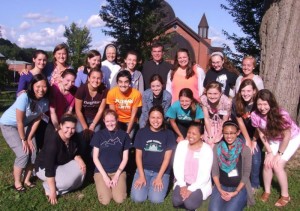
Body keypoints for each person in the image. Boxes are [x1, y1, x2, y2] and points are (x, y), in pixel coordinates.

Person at [0, 74, 49, 192]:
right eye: (38, 86)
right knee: (23, 153)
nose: (41, 89)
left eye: (44, 86)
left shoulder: (45, 101)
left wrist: (30, 137)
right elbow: (19, 121)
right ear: (32, 86)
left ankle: (27, 179)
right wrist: (23, 140)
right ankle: (17, 182)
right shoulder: (24, 97)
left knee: (33, 152)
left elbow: (37, 119)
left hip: (26, 125)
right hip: (10, 124)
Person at [251, 89, 300, 207]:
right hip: (273, 139)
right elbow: (261, 134)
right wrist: (269, 151)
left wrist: (279, 153)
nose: (262, 107)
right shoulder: (254, 115)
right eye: (259, 104)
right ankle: (267, 191)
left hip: (291, 138)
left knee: (277, 165)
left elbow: (287, 135)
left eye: (265, 104)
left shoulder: (281, 115)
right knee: (267, 163)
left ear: (271, 103)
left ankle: (285, 195)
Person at [35, 114, 86, 205]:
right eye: (67, 127)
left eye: (73, 128)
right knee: (67, 182)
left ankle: (63, 186)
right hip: (44, 168)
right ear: (61, 126)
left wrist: (78, 157)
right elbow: (49, 168)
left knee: (82, 170)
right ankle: (48, 187)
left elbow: (73, 152)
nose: (70, 131)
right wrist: (53, 192)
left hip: (61, 164)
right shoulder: (53, 142)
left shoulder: (73, 137)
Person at [131, 106, 176, 203]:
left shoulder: (169, 134)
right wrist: (141, 176)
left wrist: (159, 177)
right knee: (138, 199)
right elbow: (138, 156)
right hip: (143, 170)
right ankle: (146, 184)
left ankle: (152, 185)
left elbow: (167, 159)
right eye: (153, 117)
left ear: (163, 118)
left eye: (158, 117)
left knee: (156, 200)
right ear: (148, 118)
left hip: (161, 172)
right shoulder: (141, 132)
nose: (156, 120)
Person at [208, 121, 254, 211]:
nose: (229, 136)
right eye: (226, 133)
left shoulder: (245, 149)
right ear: (222, 133)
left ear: (238, 133)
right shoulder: (217, 148)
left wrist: (235, 192)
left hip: (239, 187)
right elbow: (215, 171)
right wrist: (220, 189)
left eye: (232, 133)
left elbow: (246, 174)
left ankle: (241, 198)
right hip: (221, 185)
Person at [90, 109, 131, 205]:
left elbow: (125, 158)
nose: (110, 124)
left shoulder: (124, 135)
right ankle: (104, 185)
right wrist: (105, 176)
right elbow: (95, 158)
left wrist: (117, 176)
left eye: (113, 121)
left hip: (118, 171)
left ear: (117, 120)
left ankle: (116, 186)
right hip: (101, 171)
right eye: (107, 121)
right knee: (105, 200)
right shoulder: (98, 135)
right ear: (104, 121)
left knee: (120, 199)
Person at [172, 123, 213, 210]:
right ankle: (186, 197)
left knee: (189, 205)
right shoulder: (182, 145)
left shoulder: (207, 150)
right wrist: (182, 185)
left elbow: (205, 175)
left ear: (201, 136)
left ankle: (193, 198)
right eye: (189, 132)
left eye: (194, 134)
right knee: (176, 201)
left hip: (199, 184)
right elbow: (177, 166)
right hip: (183, 181)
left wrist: (190, 189)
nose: (190, 136)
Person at [232, 79, 262, 191]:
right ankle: (240, 178)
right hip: (243, 132)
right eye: (243, 91)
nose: (246, 94)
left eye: (249, 91)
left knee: (255, 155)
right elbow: (240, 122)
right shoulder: (236, 102)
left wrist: (253, 140)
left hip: (257, 133)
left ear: (254, 91)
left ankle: (255, 184)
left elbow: (259, 124)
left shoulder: (258, 103)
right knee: (243, 151)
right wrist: (248, 140)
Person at [75, 68, 108, 166]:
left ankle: (93, 163)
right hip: (82, 117)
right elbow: (78, 110)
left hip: (95, 118)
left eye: (99, 78)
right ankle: (81, 161)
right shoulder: (82, 89)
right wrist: (85, 127)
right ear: (88, 78)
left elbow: (101, 110)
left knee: (95, 139)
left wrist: (93, 125)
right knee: (83, 138)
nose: (96, 80)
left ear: (102, 79)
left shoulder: (104, 90)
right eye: (93, 77)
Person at [106, 70, 142, 138]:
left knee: (128, 139)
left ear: (130, 83)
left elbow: (133, 115)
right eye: (120, 82)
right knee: (116, 138)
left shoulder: (136, 94)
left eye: (126, 82)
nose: (123, 85)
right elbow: (113, 114)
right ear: (117, 82)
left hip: (130, 120)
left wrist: (127, 132)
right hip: (117, 120)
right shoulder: (111, 93)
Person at [201, 81, 232, 147]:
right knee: (209, 143)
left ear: (220, 93)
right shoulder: (204, 99)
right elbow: (206, 118)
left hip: (222, 124)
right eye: (210, 93)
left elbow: (225, 120)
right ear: (206, 93)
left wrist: (218, 136)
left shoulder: (227, 102)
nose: (212, 96)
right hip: (210, 123)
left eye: (215, 94)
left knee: (218, 143)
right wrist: (210, 136)